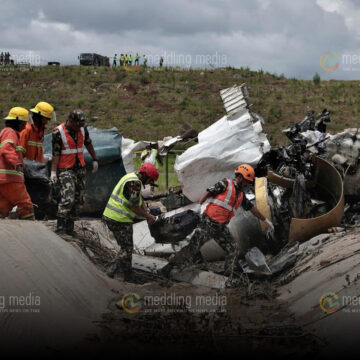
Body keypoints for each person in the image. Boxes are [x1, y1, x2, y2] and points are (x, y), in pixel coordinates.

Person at [160, 164, 274, 277]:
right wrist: (200, 205)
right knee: (193, 248)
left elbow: (252, 209)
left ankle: (230, 272)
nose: (247, 184)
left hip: (221, 227)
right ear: (240, 178)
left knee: (233, 249)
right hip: (208, 223)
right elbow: (209, 192)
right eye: (247, 181)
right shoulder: (225, 184)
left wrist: (265, 221)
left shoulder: (241, 196)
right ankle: (170, 267)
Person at [102, 162, 160, 280]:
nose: (149, 184)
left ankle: (128, 275)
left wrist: (146, 210)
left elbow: (138, 198)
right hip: (119, 219)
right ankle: (110, 270)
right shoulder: (135, 183)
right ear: (146, 176)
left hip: (111, 215)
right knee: (127, 249)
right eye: (150, 180)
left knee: (126, 247)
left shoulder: (130, 177)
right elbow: (133, 207)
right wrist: (148, 216)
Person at [51, 110, 98, 234]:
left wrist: (95, 159)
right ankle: (60, 227)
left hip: (80, 168)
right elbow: (55, 153)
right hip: (65, 169)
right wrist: (53, 172)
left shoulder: (82, 129)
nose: (80, 127)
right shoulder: (58, 132)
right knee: (68, 198)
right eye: (78, 125)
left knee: (78, 199)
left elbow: (88, 143)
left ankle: (69, 227)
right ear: (71, 121)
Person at [0, 107, 34, 220]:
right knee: (25, 205)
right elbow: (7, 148)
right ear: (18, 123)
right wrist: (16, 163)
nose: (25, 126)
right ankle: (31, 233)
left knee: (3, 208)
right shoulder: (10, 132)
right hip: (11, 179)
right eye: (24, 123)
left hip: (4, 179)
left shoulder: (6, 132)